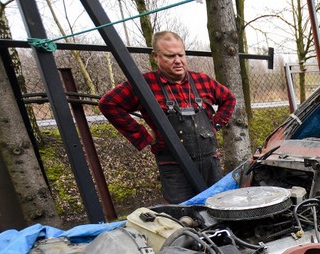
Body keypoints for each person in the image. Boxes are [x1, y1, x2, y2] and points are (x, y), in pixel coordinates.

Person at [99, 31, 236, 203]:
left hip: (211, 164)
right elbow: (108, 104)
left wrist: (214, 125)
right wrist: (144, 136)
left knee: (219, 204)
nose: (178, 61)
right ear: (156, 56)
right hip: (174, 167)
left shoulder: (202, 80)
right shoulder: (144, 85)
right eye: (170, 56)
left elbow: (229, 99)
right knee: (181, 214)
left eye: (181, 54)